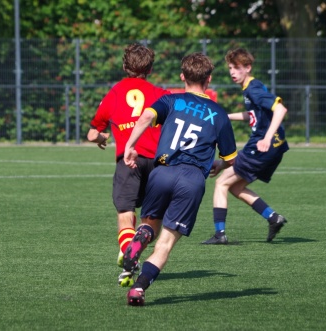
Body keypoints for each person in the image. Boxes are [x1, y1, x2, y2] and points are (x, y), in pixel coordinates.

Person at [122, 52, 237, 306]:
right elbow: (231, 159)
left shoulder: (170, 100)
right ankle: (138, 290)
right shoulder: (218, 114)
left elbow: (145, 117)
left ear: (182, 76)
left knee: (150, 226)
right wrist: (217, 164)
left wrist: (130, 146)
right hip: (192, 180)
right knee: (165, 244)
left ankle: (139, 238)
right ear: (209, 79)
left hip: (162, 171)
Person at [86, 43, 170, 286]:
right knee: (152, 218)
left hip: (127, 160)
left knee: (125, 214)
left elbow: (93, 133)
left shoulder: (115, 92)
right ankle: (134, 252)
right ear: (151, 69)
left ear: (124, 66)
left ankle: (127, 254)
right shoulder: (161, 94)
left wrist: (102, 138)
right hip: (157, 163)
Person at [202, 48, 289, 245]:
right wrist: (225, 116)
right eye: (230, 68)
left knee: (221, 183)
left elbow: (280, 109)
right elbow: (253, 115)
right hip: (273, 147)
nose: (232, 72)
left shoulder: (253, 89)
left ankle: (220, 234)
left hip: (263, 146)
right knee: (235, 187)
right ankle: (273, 218)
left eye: (237, 68)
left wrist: (267, 137)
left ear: (248, 68)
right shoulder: (251, 88)